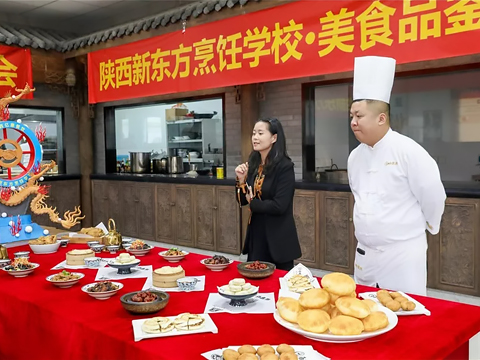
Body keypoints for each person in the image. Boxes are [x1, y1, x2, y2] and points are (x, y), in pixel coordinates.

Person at [348, 56, 446, 296]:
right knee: (365, 312)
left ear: (381, 118)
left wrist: (427, 226)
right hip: (365, 253)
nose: (353, 122)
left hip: (402, 254)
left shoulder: (408, 151)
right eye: (351, 116)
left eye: (359, 116)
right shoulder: (354, 157)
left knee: (405, 314)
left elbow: (433, 195)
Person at [235, 117, 301, 271]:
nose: (255, 137)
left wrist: (253, 202)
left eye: (260, 133)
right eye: (253, 133)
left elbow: (280, 206)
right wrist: (241, 180)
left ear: (274, 138)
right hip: (256, 235)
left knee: (279, 288)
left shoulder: (285, 166)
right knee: (255, 282)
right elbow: (242, 201)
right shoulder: (253, 163)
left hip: (278, 238)